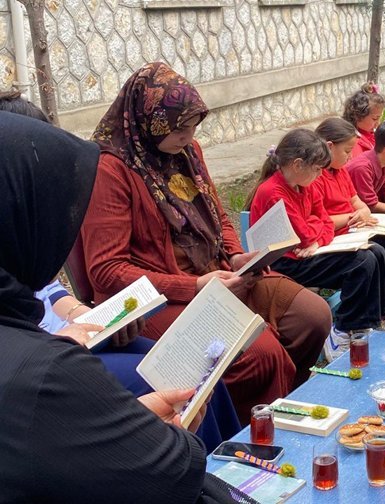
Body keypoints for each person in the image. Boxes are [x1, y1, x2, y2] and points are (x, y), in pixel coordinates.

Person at [81, 63, 332, 422]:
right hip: (158, 297)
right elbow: (106, 270)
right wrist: (195, 286)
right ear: (149, 121)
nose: (188, 137)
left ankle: (277, 401)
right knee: (261, 355)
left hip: (218, 275)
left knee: (313, 316)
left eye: (194, 127)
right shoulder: (112, 170)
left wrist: (235, 254)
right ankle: (249, 429)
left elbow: (216, 215)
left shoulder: (188, 152)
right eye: (179, 128)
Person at [0, 110, 222, 502]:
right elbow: (171, 469)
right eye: (60, 216)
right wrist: (166, 439)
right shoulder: (47, 371)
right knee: (184, 373)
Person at [247, 128, 385, 361]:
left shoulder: (306, 184)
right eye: (316, 169)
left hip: (307, 253)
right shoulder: (273, 192)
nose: (319, 174)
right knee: (361, 263)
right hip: (284, 262)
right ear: (297, 165)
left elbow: (324, 221)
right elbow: (305, 235)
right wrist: (315, 233)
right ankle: (342, 330)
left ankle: (367, 324)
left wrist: (316, 237)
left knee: (376, 251)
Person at [312, 117, 385, 333]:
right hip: (327, 238)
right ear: (329, 147)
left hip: (348, 230)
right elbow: (320, 220)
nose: (350, 157)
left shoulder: (340, 171)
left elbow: (362, 205)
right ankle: (346, 328)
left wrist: (360, 213)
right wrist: (354, 215)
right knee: (366, 259)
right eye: (347, 151)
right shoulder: (316, 176)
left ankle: (380, 316)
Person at [342, 82, 385, 180]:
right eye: (375, 119)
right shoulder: (352, 144)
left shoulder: (372, 135)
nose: (378, 123)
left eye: (379, 118)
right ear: (358, 115)